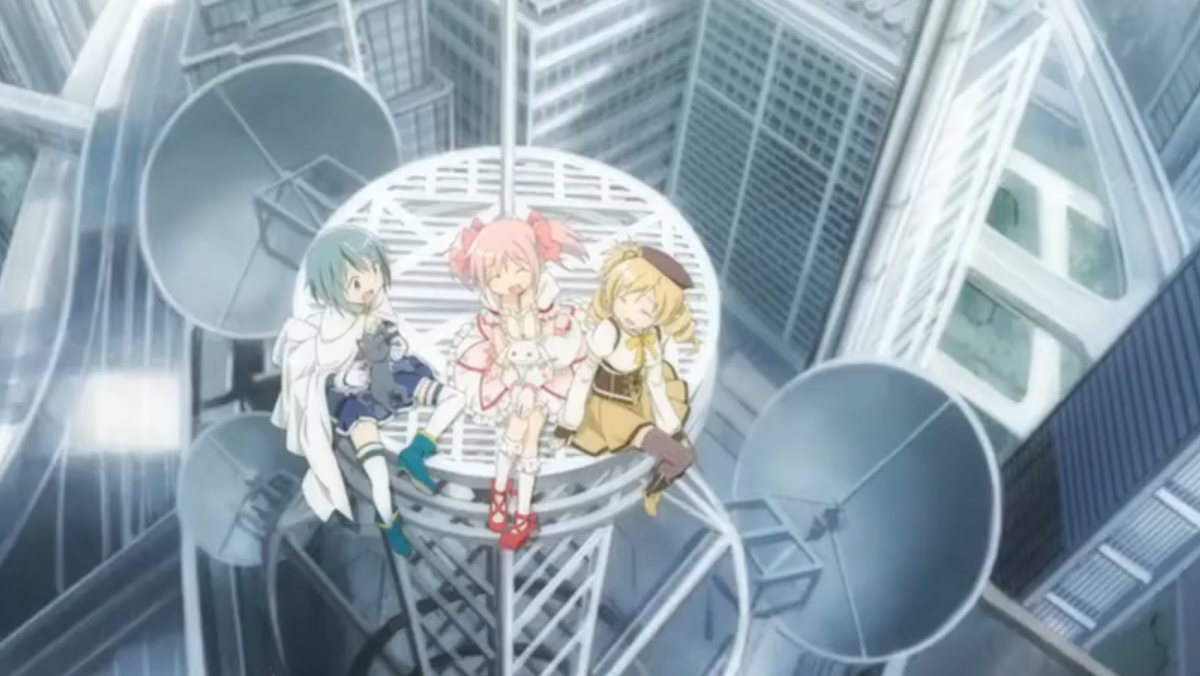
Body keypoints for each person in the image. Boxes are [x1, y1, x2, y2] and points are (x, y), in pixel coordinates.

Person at [271, 226, 466, 556]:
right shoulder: (329, 329)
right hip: (357, 401)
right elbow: (324, 370)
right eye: (355, 283)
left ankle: (418, 448)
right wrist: (349, 377)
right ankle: (388, 521)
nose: (369, 286)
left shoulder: (378, 306)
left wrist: (393, 347)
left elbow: (396, 338)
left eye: (373, 271)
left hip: (391, 377)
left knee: (455, 397)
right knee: (376, 471)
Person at [446, 211, 587, 550]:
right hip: (509, 366)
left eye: (520, 268)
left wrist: (534, 377)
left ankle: (504, 498)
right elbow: (499, 342)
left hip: (545, 364)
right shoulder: (495, 303)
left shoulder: (544, 294)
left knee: (526, 429)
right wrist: (510, 371)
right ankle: (518, 510)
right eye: (498, 274)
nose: (511, 280)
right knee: (525, 430)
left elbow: (549, 339)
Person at [553, 243, 698, 516]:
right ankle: (650, 489)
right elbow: (583, 377)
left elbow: (656, 385)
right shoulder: (608, 331)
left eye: (648, 310)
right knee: (679, 455)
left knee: (686, 455)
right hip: (607, 410)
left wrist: (674, 429)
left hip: (639, 400)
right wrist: (567, 424)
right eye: (626, 298)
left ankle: (653, 488)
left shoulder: (651, 335)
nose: (633, 313)